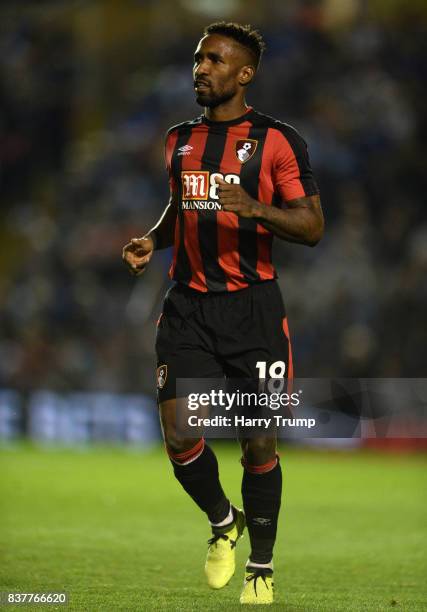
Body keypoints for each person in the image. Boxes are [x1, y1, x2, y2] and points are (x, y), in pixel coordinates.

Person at [122, 21, 324, 605]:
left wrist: (255, 207)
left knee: (259, 444)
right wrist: (152, 240)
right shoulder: (178, 138)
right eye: (197, 58)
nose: (200, 68)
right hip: (185, 305)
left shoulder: (278, 141)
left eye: (214, 60)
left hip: (254, 311)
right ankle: (221, 522)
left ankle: (260, 567)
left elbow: (311, 226)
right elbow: (181, 205)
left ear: (244, 73)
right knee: (179, 433)